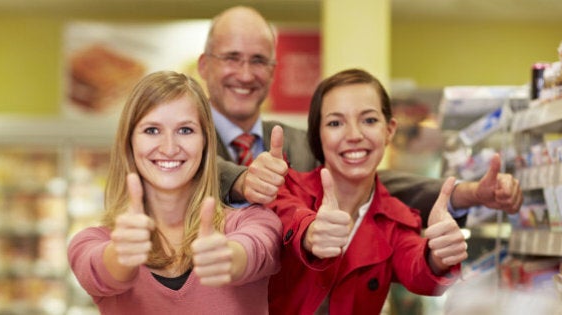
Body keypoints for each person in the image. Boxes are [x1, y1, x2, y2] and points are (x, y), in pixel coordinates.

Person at [201, 6, 522, 226]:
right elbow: (198, 172)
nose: (245, 74)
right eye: (231, 58)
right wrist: (243, 180)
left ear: (273, 71)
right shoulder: (181, 140)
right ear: (204, 65)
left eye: (258, 60)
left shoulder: (299, 145)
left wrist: (466, 193)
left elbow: (372, 188)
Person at [68, 71, 282, 314]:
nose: (169, 148)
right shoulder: (90, 242)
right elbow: (103, 271)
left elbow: (255, 250)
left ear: (205, 141)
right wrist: (122, 254)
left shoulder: (255, 222)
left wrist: (226, 257)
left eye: (185, 130)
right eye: (151, 130)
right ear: (129, 143)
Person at [267, 68, 468, 314]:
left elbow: (417, 267)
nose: (354, 135)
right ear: (318, 135)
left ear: (390, 130)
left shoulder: (397, 219)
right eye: (335, 123)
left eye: (369, 120)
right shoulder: (286, 188)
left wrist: (438, 256)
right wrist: (309, 231)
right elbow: (282, 215)